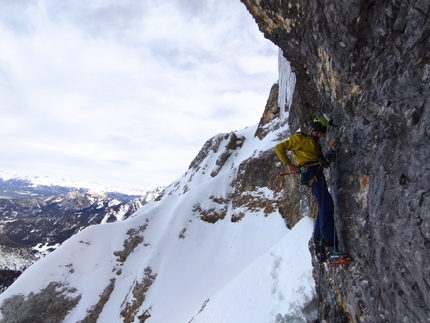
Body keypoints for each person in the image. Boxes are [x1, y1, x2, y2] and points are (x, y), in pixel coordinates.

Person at [274, 117, 350, 263]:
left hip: (316, 172)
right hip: (311, 173)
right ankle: (329, 244)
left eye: (321, 134)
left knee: (325, 206)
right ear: (312, 130)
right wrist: (289, 164)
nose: (319, 135)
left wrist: (331, 149)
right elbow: (279, 148)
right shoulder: (300, 138)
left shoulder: (316, 146)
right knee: (326, 205)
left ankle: (320, 241)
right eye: (318, 132)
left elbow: (324, 162)